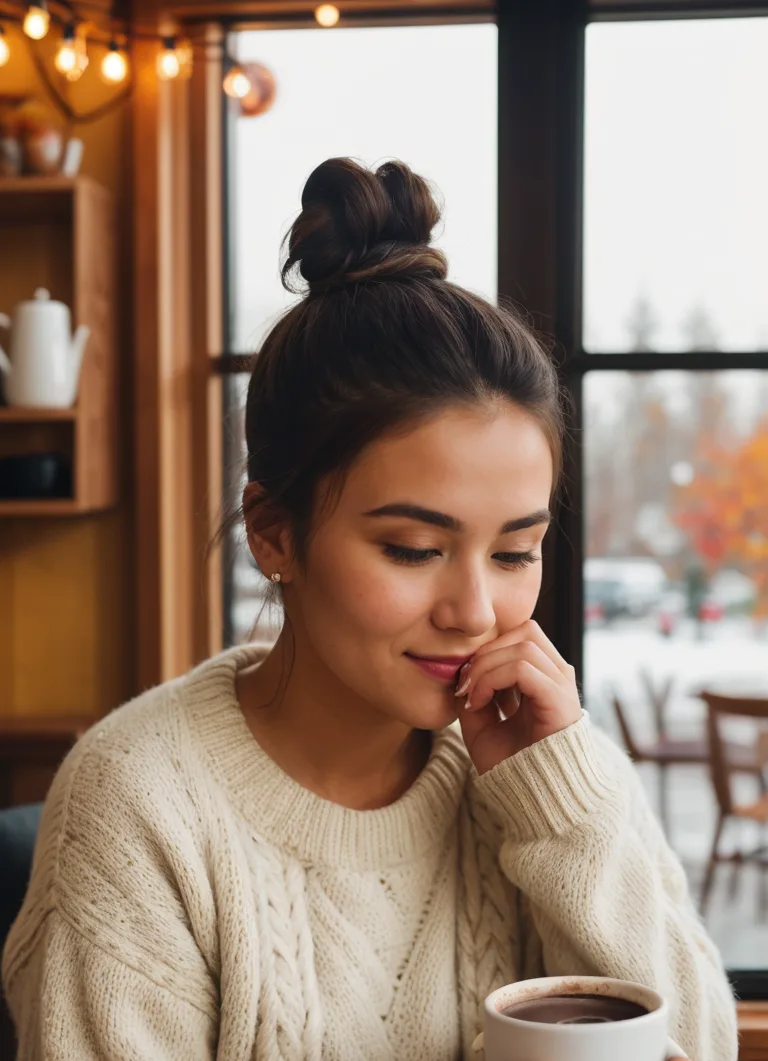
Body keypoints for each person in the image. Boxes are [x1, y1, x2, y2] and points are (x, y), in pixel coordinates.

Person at [3, 158, 736, 1061]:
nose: (476, 610)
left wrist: (566, 813)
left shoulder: (542, 768)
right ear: (273, 534)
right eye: (413, 550)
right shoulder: (139, 802)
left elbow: (699, 1043)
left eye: (515, 552)